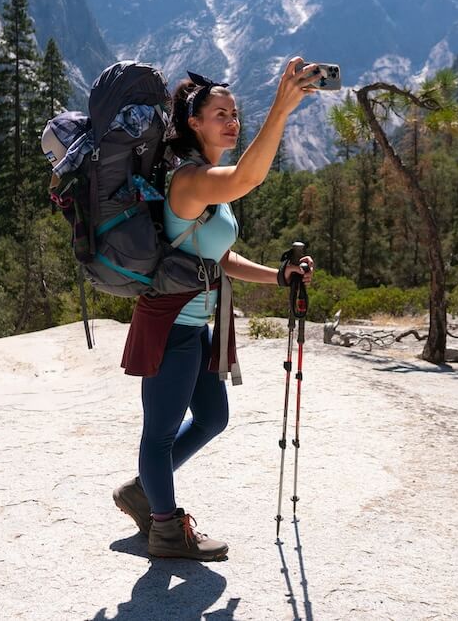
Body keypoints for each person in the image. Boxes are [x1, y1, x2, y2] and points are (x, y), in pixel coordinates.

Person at [113, 57, 320, 561]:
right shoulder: (189, 181)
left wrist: (278, 276)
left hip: (196, 325)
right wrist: (281, 108)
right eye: (221, 114)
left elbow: (219, 258)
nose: (232, 121)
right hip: (170, 325)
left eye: (235, 113)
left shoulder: (210, 184)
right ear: (193, 122)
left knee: (212, 418)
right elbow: (249, 177)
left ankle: (142, 491)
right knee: (159, 435)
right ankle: (165, 527)